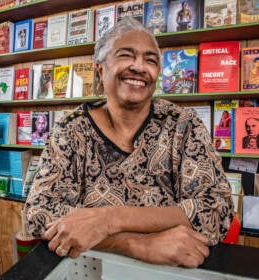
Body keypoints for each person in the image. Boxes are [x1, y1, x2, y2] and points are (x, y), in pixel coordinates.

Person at [23, 17, 233, 268]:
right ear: (100, 69)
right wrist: (136, 245)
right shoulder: (71, 131)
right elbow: (38, 215)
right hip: (89, 270)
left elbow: (216, 210)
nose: (139, 67)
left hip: (170, 273)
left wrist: (108, 219)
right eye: (126, 55)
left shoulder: (183, 124)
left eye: (151, 60)